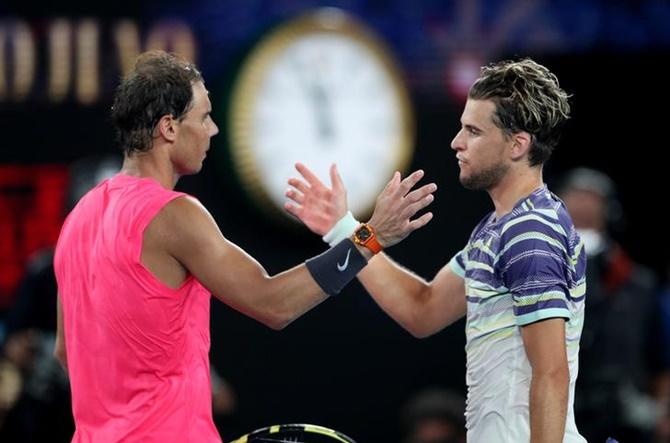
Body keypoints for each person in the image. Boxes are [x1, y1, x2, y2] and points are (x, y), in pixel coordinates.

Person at [52, 50, 436, 443]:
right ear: (169, 128)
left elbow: (67, 353)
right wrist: (368, 238)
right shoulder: (173, 215)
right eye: (203, 117)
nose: (213, 130)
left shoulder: (78, 219)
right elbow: (273, 303)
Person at [285, 58, 586, 442]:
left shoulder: (530, 234)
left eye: (473, 131)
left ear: (518, 145)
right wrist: (345, 228)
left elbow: (551, 373)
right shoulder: (498, 230)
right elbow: (422, 309)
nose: (456, 142)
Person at [557, 167, 669, 443]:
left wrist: (663, 414)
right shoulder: (536, 273)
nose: (583, 204)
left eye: (593, 198)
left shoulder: (637, 284)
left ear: (610, 210)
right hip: (557, 408)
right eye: (576, 196)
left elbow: (661, 360)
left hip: (622, 417)